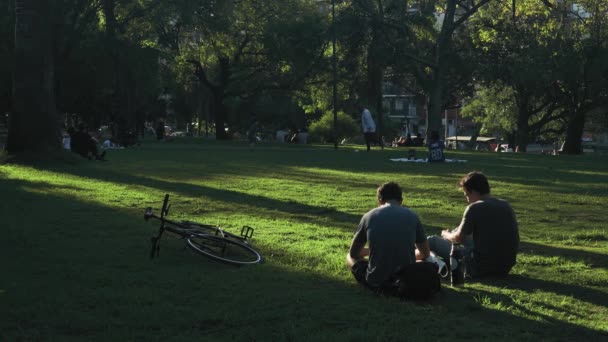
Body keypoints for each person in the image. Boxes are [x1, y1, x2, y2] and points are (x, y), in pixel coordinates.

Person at [426, 172, 519, 278]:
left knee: (431, 241)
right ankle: (435, 260)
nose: (467, 200)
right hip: (504, 267)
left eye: (466, 195)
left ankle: (425, 262)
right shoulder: (505, 205)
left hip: (479, 267)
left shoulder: (475, 208)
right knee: (461, 232)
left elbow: (458, 239)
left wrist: (446, 234)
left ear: (473, 191)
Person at [347, 182, 431, 293]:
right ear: (401, 200)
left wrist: (372, 251)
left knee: (349, 256)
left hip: (376, 281)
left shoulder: (368, 216)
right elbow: (425, 253)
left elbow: (354, 253)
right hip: (406, 280)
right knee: (423, 260)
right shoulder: (413, 216)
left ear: (379, 200)